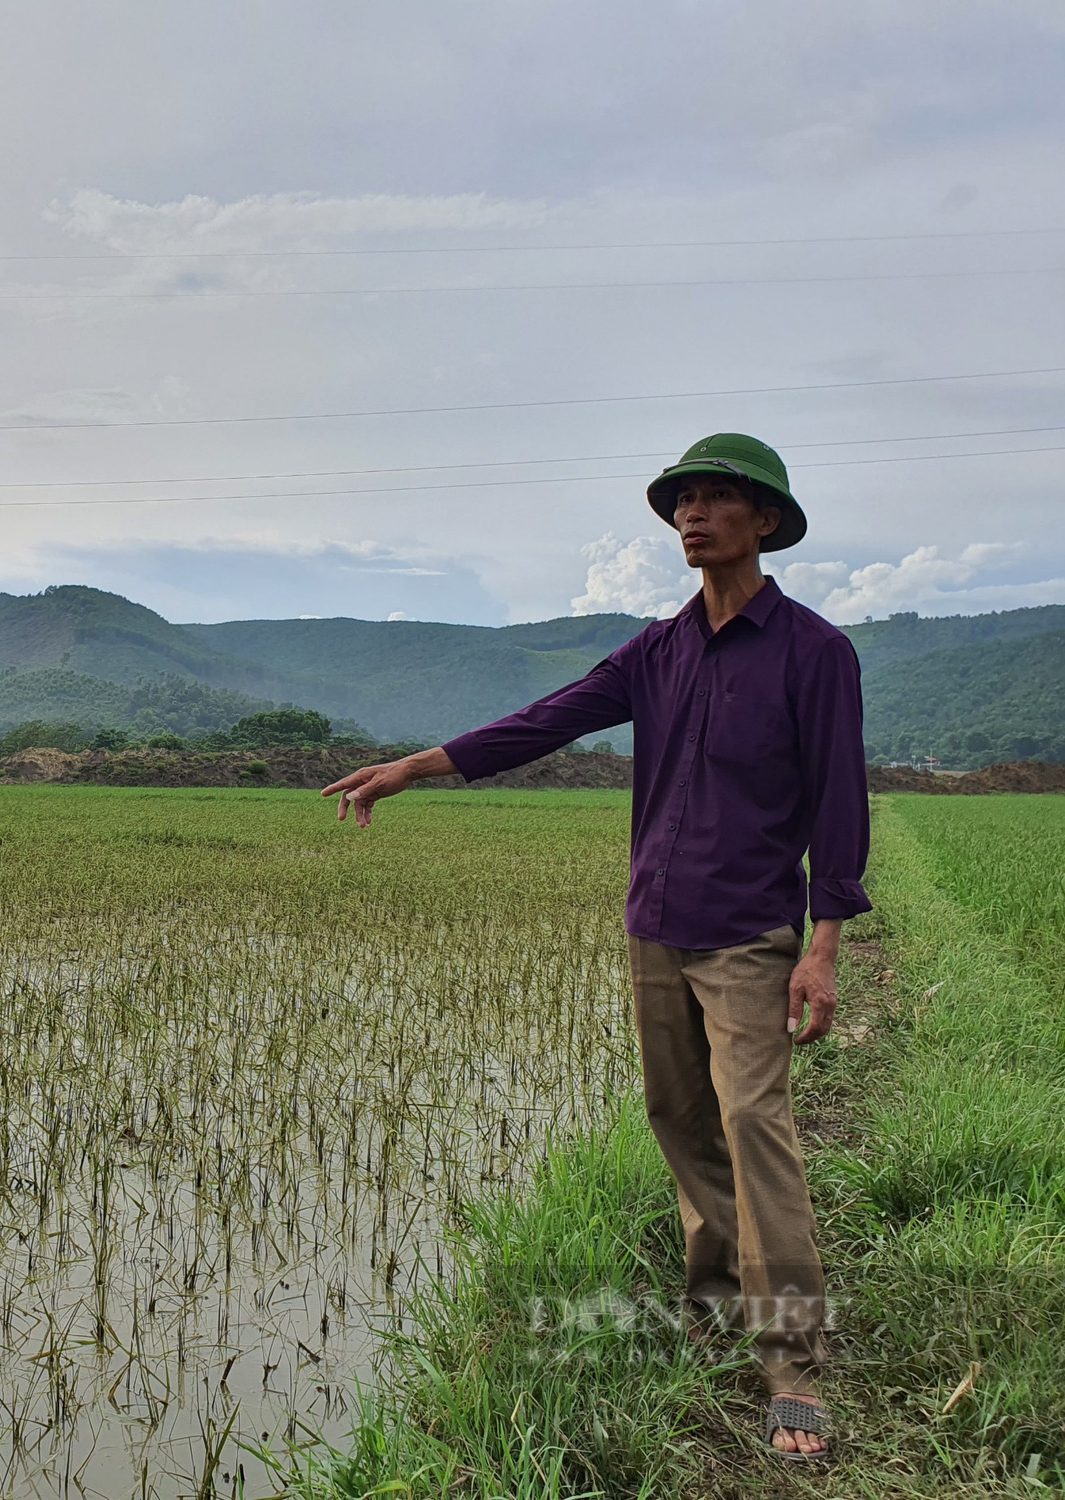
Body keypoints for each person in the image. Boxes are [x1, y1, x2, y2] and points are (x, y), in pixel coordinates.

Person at [323, 433, 868, 1462]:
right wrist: (414, 767)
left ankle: (791, 1358)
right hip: (653, 924)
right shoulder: (653, 652)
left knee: (754, 1123)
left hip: (750, 931)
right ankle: (711, 1296)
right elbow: (547, 720)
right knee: (675, 1114)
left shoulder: (812, 653)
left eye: (713, 501)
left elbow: (838, 803)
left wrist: (823, 944)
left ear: (764, 524)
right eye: (680, 502)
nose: (689, 517)